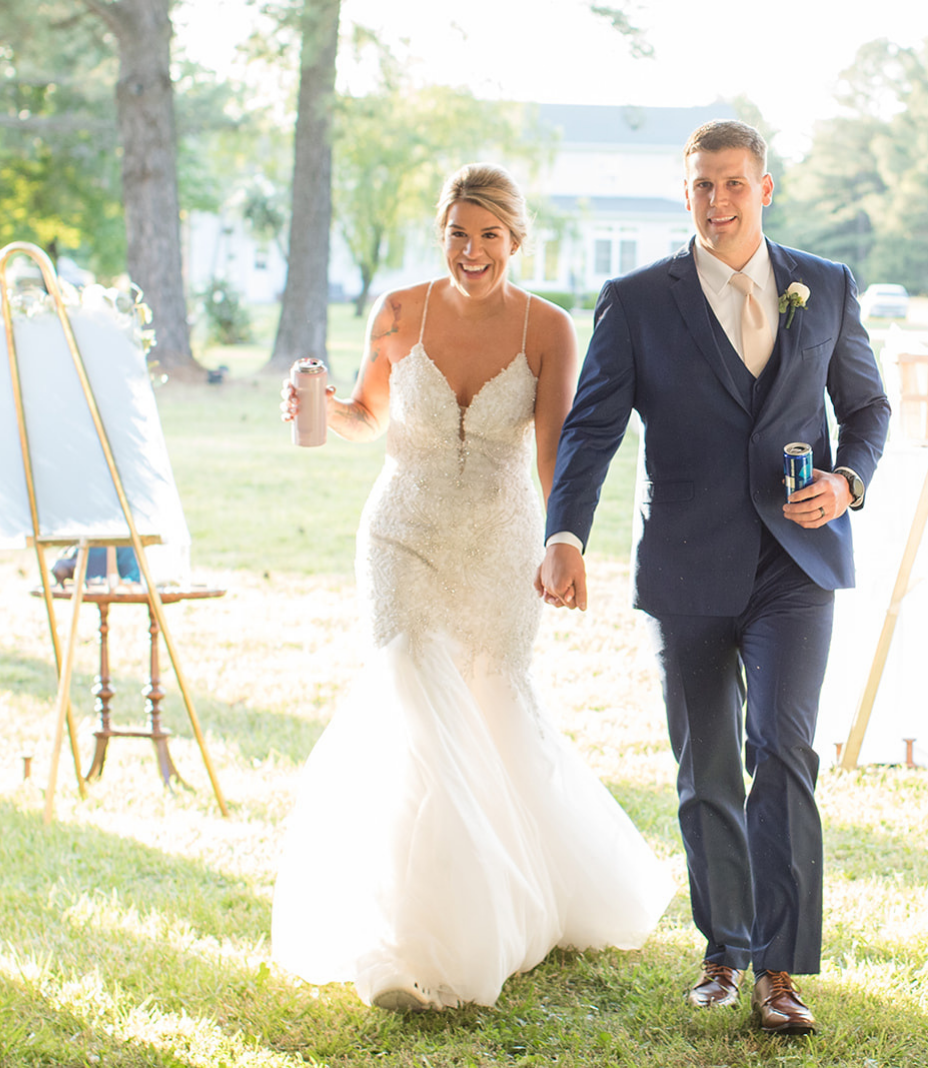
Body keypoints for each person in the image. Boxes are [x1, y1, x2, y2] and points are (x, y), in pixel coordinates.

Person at [271, 163, 672, 1013]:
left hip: (499, 541)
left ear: (515, 242)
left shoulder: (549, 329)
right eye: (458, 233)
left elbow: (556, 449)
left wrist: (564, 541)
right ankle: (401, 943)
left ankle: (501, 897)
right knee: (414, 696)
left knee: (486, 706)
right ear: (441, 235)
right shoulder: (398, 312)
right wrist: (319, 405)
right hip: (399, 533)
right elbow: (369, 416)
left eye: (490, 236)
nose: (472, 251)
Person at [537, 121, 890, 1036]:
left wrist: (849, 481)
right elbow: (590, 430)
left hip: (795, 563)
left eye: (733, 183)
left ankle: (781, 969)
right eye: (701, 186)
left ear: (763, 188)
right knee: (707, 768)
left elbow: (868, 405)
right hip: (687, 562)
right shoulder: (637, 299)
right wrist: (566, 532)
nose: (716, 201)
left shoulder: (829, 286)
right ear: (684, 191)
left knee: (783, 749)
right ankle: (723, 952)